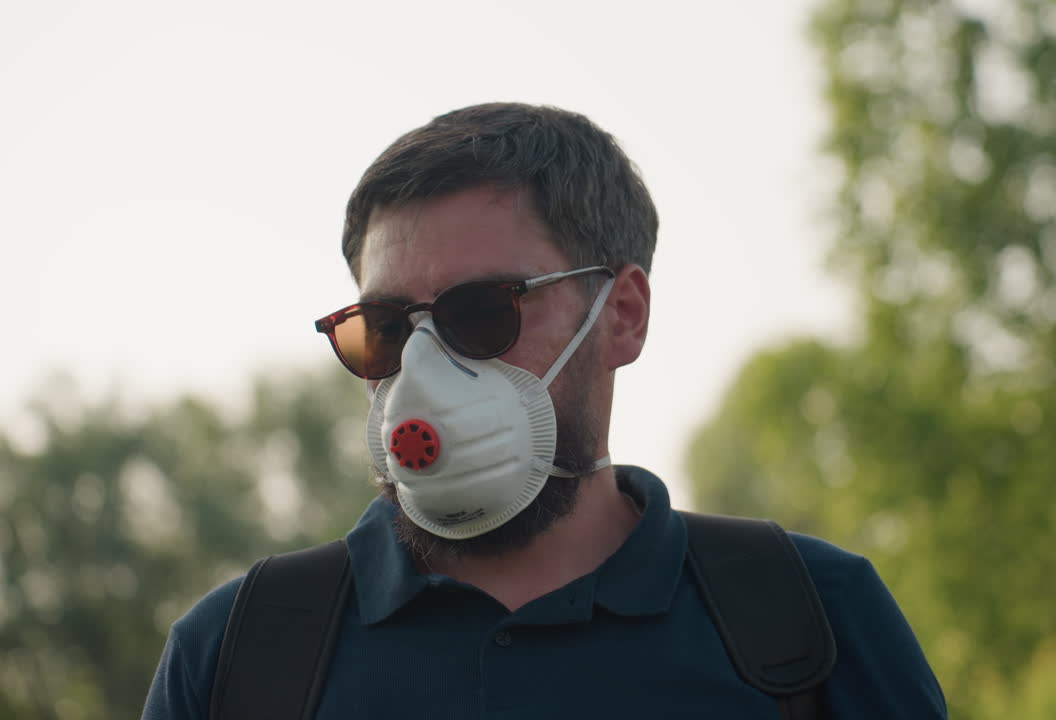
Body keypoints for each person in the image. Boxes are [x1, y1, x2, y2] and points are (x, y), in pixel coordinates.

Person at [142, 102, 947, 719]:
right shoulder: (241, 651)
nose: (425, 369)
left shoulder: (810, 616)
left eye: (482, 311)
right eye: (385, 327)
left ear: (623, 315)